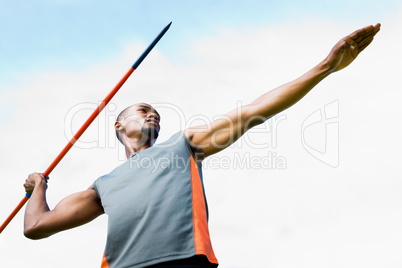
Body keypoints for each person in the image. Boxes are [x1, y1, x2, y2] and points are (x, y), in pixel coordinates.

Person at [23, 23, 381, 268]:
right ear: (119, 125)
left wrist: (325, 67)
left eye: (158, 114)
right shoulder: (102, 186)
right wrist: (38, 186)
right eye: (144, 110)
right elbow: (36, 226)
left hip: (184, 262)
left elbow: (252, 111)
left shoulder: (182, 146)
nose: (154, 117)